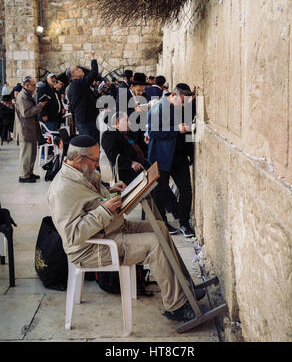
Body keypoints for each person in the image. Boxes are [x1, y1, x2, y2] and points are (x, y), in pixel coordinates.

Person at [47, 134, 198, 323]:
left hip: (112, 229)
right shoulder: (62, 190)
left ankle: (186, 287)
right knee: (154, 244)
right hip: (92, 248)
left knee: (159, 227)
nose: (98, 164)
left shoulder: (83, 173)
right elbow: (72, 235)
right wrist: (104, 210)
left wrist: (109, 190)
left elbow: (90, 200)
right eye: (95, 160)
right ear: (78, 160)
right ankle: (177, 307)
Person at [147, 83, 196, 237]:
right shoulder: (158, 108)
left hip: (179, 157)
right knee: (160, 192)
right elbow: (153, 132)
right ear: (173, 96)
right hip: (162, 156)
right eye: (181, 101)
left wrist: (191, 154)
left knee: (186, 190)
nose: (183, 105)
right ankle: (162, 224)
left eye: (185, 102)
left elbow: (189, 125)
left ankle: (184, 223)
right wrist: (176, 129)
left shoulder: (183, 106)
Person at [13, 76, 48, 183]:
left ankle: (29, 173)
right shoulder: (23, 96)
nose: (35, 87)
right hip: (25, 129)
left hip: (30, 128)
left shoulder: (28, 94)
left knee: (32, 152)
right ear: (27, 85)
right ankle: (24, 176)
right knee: (26, 154)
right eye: (33, 85)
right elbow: (26, 113)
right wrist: (40, 105)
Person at [67, 52, 99, 141]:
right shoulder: (77, 84)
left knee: (90, 145)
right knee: (90, 145)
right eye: (77, 69)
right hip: (87, 121)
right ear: (73, 75)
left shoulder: (77, 85)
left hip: (85, 120)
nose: (80, 69)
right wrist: (93, 58)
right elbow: (94, 73)